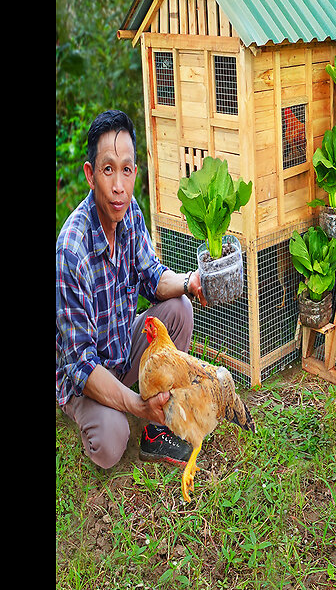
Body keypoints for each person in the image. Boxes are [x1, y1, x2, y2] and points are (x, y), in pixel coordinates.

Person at [56, 109, 205, 470]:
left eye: (126, 169)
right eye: (108, 170)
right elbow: (82, 362)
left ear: (135, 172)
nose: (119, 185)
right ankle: (97, 411)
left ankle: (157, 425)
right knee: (111, 442)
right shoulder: (70, 251)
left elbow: (152, 277)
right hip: (85, 378)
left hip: (123, 348)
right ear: (91, 175)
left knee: (180, 308)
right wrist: (135, 405)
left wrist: (190, 281)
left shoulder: (130, 211)